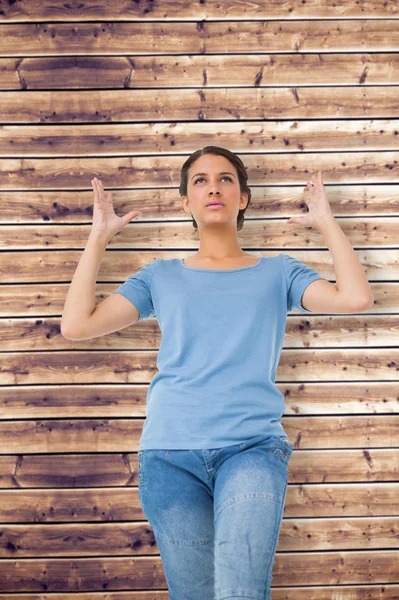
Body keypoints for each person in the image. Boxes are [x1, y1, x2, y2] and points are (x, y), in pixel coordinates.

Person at [61, 146, 372, 600]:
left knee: (240, 590)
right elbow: (76, 326)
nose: (213, 187)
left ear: (242, 198)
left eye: (225, 179)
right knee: (196, 594)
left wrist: (327, 223)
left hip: (252, 449)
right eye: (200, 181)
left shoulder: (278, 272)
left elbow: (355, 299)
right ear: (186, 202)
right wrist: (98, 238)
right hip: (169, 456)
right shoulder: (159, 277)